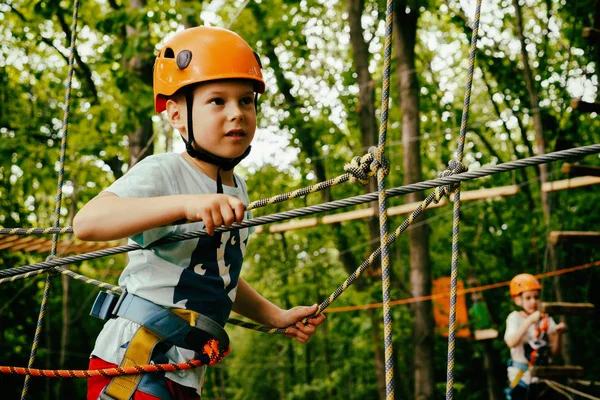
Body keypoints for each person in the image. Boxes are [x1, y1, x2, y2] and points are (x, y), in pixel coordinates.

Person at [73, 26, 326, 400]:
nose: (236, 113)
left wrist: (274, 316)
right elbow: (87, 223)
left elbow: (218, 275)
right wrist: (185, 205)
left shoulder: (237, 189)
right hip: (136, 357)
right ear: (177, 115)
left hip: (186, 370)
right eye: (217, 102)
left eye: (246, 101)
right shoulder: (164, 172)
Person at [504, 273, 566, 400]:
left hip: (542, 378)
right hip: (521, 378)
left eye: (536, 297)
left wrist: (558, 335)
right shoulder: (514, 318)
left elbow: (555, 352)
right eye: (528, 298)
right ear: (517, 300)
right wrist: (529, 321)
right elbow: (511, 342)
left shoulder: (546, 319)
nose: (533, 301)